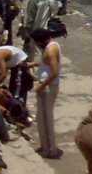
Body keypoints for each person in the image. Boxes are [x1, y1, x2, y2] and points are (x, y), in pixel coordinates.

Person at [31, 27, 62, 159]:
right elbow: (47, 64)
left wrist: (41, 86)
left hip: (47, 88)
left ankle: (50, 149)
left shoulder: (50, 50)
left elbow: (54, 72)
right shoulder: (52, 45)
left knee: (45, 120)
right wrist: (34, 64)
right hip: (47, 86)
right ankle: (46, 147)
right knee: (43, 118)